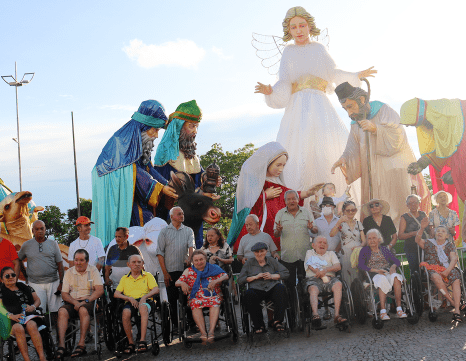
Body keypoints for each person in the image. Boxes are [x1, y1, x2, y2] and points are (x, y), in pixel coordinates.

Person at [254, 6, 376, 196]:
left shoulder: (319, 49)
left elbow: (333, 73)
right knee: (298, 150)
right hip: (297, 109)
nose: (299, 30)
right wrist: (271, 91)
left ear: (310, 26)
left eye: (302, 25)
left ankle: (334, 198)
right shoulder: (289, 52)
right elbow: (285, 81)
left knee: (325, 148)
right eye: (293, 27)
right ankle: (298, 200)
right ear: (289, 31)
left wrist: (355, 75)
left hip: (320, 106)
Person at [331, 82, 428, 221]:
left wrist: (376, 129)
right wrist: (344, 158)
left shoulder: (383, 110)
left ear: (362, 100)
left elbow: (398, 135)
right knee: (374, 205)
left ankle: (399, 230)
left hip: (391, 170)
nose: (349, 113)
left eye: (350, 106)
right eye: (345, 109)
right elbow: (352, 147)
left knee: (395, 204)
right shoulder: (355, 123)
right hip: (371, 174)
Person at [91, 100, 178, 244]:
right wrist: (161, 189)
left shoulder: (141, 144)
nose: (156, 135)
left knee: (153, 221)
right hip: (121, 199)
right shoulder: (120, 142)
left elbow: (148, 169)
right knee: (143, 220)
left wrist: (167, 184)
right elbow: (133, 172)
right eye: (155, 130)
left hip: (135, 197)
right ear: (144, 127)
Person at [227, 141, 318, 253]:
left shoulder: (277, 183)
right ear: (267, 163)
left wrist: (308, 193)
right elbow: (247, 204)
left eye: (283, 165)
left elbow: (288, 194)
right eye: (278, 165)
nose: (281, 169)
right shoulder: (255, 183)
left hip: (276, 226)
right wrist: (264, 195)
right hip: (261, 225)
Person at [152, 100, 220, 247]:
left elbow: (201, 179)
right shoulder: (165, 156)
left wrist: (210, 181)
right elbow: (163, 189)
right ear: (179, 126)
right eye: (192, 126)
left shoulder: (192, 157)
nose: (195, 131)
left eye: (197, 127)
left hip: (194, 217)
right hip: (173, 217)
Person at [0, 266, 54, 361]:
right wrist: (11, 315)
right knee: (18, 328)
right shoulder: (0, 292)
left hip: (28, 316)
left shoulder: (25, 287)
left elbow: (37, 300)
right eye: (7, 276)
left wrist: (33, 307)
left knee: (32, 325)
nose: (11, 277)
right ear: (2, 279)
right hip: (10, 320)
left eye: (13, 275)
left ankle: (42, 359)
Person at [56, 249, 104, 359]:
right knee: (62, 311)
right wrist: (75, 302)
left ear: (87, 261)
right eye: (76, 260)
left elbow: (99, 290)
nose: (78, 262)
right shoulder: (69, 272)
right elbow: (64, 294)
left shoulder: (93, 270)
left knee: (83, 309)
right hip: (73, 301)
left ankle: (81, 344)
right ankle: (62, 345)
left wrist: (85, 301)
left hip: (89, 301)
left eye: (81, 260)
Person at [175, 250, 229, 342]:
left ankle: (211, 332)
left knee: (215, 301)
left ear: (205, 259)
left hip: (213, 294)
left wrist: (215, 281)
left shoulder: (213, 267)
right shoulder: (189, 271)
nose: (199, 262)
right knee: (195, 303)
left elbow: (225, 276)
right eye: (196, 260)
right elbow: (177, 282)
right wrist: (182, 284)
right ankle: (203, 333)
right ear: (192, 261)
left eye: (201, 259)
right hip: (196, 296)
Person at [18, 220, 64, 326]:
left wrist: (61, 283)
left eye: (42, 228)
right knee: (39, 312)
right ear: (33, 230)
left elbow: (60, 264)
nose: (40, 231)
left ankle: (58, 339)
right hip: (35, 284)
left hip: (53, 282)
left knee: (56, 312)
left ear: (45, 230)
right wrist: (25, 274)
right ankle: (44, 339)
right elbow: (19, 259)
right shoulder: (27, 245)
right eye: (37, 229)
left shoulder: (53, 244)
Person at [156, 206, 195, 327]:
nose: (182, 215)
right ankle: (176, 326)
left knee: (188, 297)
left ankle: (192, 323)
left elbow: (192, 246)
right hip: (170, 271)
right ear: (172, 217)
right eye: (179, 214)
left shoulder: (188, 230)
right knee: (172, 300)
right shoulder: (164, 232)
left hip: (185, 270)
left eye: (182, 213)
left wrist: (190, 258)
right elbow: (160, 253)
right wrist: (165, 273)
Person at [239, 242, 290, 333]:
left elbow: (286, 273)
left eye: (262, 251)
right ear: (253, 253)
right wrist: (255, 277)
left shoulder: (272, 261)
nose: (259, 254)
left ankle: (277, 321)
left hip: (272, 287)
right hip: (256, 289)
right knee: (248, 294)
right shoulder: (249, 263)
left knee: (281, 288)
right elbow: (240, 280)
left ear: (266, 251)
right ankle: (259, 325)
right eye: (257, 252)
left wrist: (273, 276)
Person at [415, 225, 463, 322]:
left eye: (443, 231)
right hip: (433, 269)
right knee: (436, 277)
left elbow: (454, 259)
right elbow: (417, 240)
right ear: (435, 234)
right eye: (438, 231)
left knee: (456, 278)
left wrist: (447, 271)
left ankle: (457, 310)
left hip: (448, 268)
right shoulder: (428, 243)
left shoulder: (450, 245)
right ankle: (452, 302)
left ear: (447, 236)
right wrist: (421, 228)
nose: (440, 233)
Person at [114, 254, 160, 353]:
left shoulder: (148, 276)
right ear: (128, 264)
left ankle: (142, 340)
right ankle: (131, 343)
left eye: (139, 262)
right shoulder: (125, 278)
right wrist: (129, 298)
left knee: (143, 308)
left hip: (146, 301)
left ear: (143, 264)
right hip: (131, 302)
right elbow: (116, 294)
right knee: (125, 313)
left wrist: (145, 297)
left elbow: (156, 289)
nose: (137, 264)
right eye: (134, 262)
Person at [357, 230, 407, 320]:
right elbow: (360, 265)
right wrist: (376, 270)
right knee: (382, 279)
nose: (372, 240)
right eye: (369, 238)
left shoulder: (384, 249)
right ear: (367, 241)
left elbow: (396, 261)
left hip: (387, 271)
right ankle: (383, 311)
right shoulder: (364, 250)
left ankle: (399, 309)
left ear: (379, 239)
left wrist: (393, 266)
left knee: (396, 277)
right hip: (373, 274)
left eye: (374, 238)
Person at [274, 190, 317, 291]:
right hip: (288, 256)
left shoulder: (306, 212)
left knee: (307, 284)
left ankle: (306, 306)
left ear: (298, 200)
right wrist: (278, 231)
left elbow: (315, 230)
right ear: (285, 201)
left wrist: (311, 228)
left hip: (305, 255)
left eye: (294, 198)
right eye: (288, 199)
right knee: (290, 285)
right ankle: (293, 306)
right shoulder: (280, 214)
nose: (291, 201)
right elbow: (276, 234)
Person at [304, 236, 345, 327]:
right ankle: (315, 315)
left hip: (330, 278)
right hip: (314, 279)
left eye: (325, 243)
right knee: (313, 289)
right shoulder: (309, 252)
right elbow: (310, 265)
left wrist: (325, 270)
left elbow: (338, 266)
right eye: (320, 242)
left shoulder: (331, 253)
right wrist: (320, 273)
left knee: (338, 284)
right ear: (313, 245)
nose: (322, 244)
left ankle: (337, 315)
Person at [331, 200, 365, 285]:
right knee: (347, 276)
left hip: (357, 253)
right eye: (348, 210)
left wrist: (359, 247)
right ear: (343, 211)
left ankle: (359, 296)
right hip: (345, 252)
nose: (350, 212)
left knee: (358, 275)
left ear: (356, 211)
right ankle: (349, 297)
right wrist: (339, 222)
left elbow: (364, 240)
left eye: (353, 210)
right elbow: (331, 234)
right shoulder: (341, 223)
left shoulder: (358, 223)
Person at [398, 195, 428, 274]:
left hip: (424, 246)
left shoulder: (423, 214)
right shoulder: (404, 217)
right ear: (407, 205)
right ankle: (416, 285)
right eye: (410, 203)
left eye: (415, 202)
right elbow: (400, 236)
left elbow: (428, 229)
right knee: (415, 269)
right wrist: (414, 233)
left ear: (419, 203)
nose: (413, 205)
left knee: (427, 268)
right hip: (411, 247)